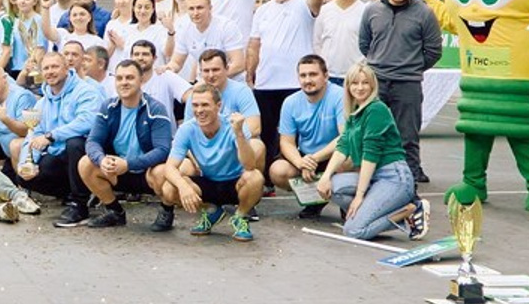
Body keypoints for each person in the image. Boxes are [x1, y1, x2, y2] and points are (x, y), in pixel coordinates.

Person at [316, 61, 428, 240]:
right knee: (333, 187)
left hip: (394, 178)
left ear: (373, 85)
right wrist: (325, 177)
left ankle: (407, 211)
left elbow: (371, 155)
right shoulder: (355, 112)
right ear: (348, 86)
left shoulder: (376, 110)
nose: (360, 88)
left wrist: (359, 196)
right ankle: (372, 209)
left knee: (353, 230)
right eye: (355, 83)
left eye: (365, 82)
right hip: (374, 178)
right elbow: (342, 146)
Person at [357, 0, 442, 185]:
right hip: (376, 81)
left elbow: (434, 50)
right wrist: (380, 65)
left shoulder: (424, 14)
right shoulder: (371, 10)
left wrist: (411, 68)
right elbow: (365, 44)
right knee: (372, 131)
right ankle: (370, 172)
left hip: (408, 84)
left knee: (408, 134)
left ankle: (412, 172)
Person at [161, 84, 265, 241]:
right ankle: (211, 211)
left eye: (205, 105)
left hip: (235, 182)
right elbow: (170, 167)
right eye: (195, 105)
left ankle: (240, 216)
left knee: (255, 177)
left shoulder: (234, 125)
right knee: (169, 188)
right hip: (207, 182)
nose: (199, 110)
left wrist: (239, 134)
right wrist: (183, 187)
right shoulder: (187, 129)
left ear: (218, 106)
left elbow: (249, 165)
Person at [246, 0, 321, 167]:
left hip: (295, 83)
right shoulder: (262, 12)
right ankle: (269, 176)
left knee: (298, 133)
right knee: (268, 134)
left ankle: (302, 170)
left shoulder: (303, 4)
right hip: (267, 83)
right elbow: (254, 44)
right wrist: (251, 72)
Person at [80, 59, 174, 230]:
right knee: (86, 163)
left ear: (141, 80)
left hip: (147, 171)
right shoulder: (108, 107)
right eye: (120, 78)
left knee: (162, 172)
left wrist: (129, 164)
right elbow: (93, 141)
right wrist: (101, 160)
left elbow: (163, 150)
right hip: (117, 169)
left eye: (130, 78)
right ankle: (115, 212)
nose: (124, 82)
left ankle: (167, 210)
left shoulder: (156, 109)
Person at [15, 50, 99, 227]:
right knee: (27, 176)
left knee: (74, 143)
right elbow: (34, 134)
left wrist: (52, 136)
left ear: (66, 68)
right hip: (59, 155)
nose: (50, 71)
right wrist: (27, 164)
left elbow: (87, 121)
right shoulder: (42, 102)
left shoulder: (85, 91)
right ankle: (71, 193)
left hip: (87, 154)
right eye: (46, 68)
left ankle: (80, 205)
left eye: (55, 66)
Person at [270, 54, 345, 214]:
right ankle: (314, 199)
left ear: (325, 76)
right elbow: (286, 142)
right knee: (278, 171)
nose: (307, 80)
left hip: (334, 154)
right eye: (303, 75)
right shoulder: (291, 102)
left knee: (349, 159)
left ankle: (345, 201)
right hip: (307, 157)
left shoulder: (340, 96)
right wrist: (300, 163)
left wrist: (314, 159)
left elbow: (344, 137)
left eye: (313, 74)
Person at [168, 0, 244, 80]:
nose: (195, 13)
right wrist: (167, 69)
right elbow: (176, 62)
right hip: (204, 86)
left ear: (210, 8)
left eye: (200, 8)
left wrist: (210, 79)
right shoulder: (184, 28)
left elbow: (239, 64)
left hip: (230, 83)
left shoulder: (226, 27)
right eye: (191, 9)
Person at [311, 0, 366, 84]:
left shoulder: (365, 10)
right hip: (329, 76)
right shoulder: (324, 11)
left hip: (357, 77)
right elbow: (317, 42)